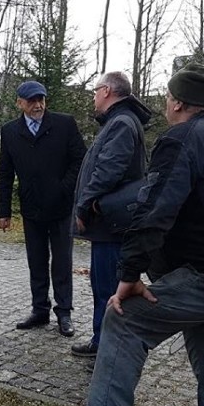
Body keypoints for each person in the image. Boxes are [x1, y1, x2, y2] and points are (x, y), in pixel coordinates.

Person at [83, 62, 204, 406]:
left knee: (123, 320)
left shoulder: (181, 139)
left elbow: (154, 211)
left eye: (168, 97)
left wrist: (129, 274)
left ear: (179, 103)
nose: (166, 104)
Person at [71, 71, 151, 365]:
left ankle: (109, 352)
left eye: (95, 91)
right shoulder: (122, 121)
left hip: (110, 222)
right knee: (102, 284)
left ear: (106, 91)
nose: (93, 96)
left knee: (108, 288)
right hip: (108, 220)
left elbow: (108, 169)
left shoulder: (120, 122)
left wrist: (85, 204)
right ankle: (99, 340)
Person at [0, 80, 86, 337]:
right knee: (36, 261)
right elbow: (5, 172)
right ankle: (39, 309)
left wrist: (64, 188)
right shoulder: (10, 131)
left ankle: (64, 312)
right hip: (31, 207)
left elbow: (80, 159)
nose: (38, 105)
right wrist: (3, 211)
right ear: (20, 103)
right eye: (32, 100)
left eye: (41, 99)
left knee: (62, 261)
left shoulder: (64, 124)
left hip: (60, 207)